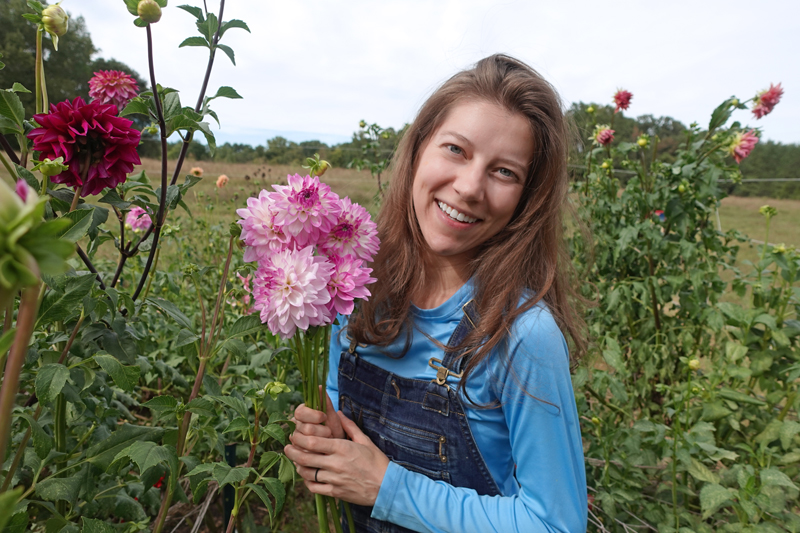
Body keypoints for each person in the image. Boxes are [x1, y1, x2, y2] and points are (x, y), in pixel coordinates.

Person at [284, 54, 588, 533]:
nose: (469, 187)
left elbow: (555, 524)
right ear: (419, 149)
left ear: (527, 200)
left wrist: (388, 489)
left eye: (504, 172)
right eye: (456, 150)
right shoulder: (353, 291)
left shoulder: (522, 335)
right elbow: (342, 437)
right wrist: (322, 446)